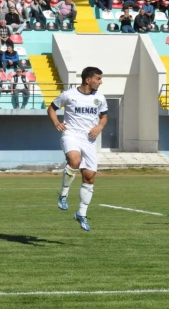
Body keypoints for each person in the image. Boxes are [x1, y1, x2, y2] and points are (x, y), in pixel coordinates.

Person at [48, 67, 108, 231]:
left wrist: (99, 127)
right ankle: (63, 195)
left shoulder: (100, 98)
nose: (101, 81)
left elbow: (103, 117)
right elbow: (52, 108)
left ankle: (81, 213)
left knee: (89, 178)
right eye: (98, 78)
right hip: (71, 135)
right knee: (74, 160)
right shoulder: (69, 95)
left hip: (89, 140)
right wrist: (57, 123)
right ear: (88, 79)